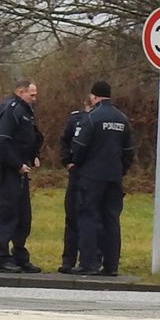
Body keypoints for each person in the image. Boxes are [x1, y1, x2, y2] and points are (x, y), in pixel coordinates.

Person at [66, 80, 131, 278]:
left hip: (91, 177)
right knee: (111, 219)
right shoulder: (122, 119)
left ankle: (89, 263)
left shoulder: (92, 117)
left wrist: (77, 164)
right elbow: (129, 151)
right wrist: (120, 170)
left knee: (88, 217)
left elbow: (79, 147)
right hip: (114, 177)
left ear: (93, 96)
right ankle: (111, 265)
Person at [0, 77, 43, 273]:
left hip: (21, 171)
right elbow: (2, 140)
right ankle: (2, 258)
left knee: (23, 216)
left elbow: (29, 138)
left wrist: (33, 156)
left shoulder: (25, 111)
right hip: (9, 171)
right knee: (7, 213)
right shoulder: (11, 110)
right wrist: (17, 164)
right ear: (21, 92)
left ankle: (20, 255)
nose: (35, 98)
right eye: (32, 94)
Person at [57, 102, 88, 274]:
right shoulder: (75, 119)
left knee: (89, 219)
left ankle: (87, 259)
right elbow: (64, 141)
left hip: (91, 175)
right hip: (76, 174)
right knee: (72, 217)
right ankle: (68, 260)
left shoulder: (99, 120)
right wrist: (67, 162)